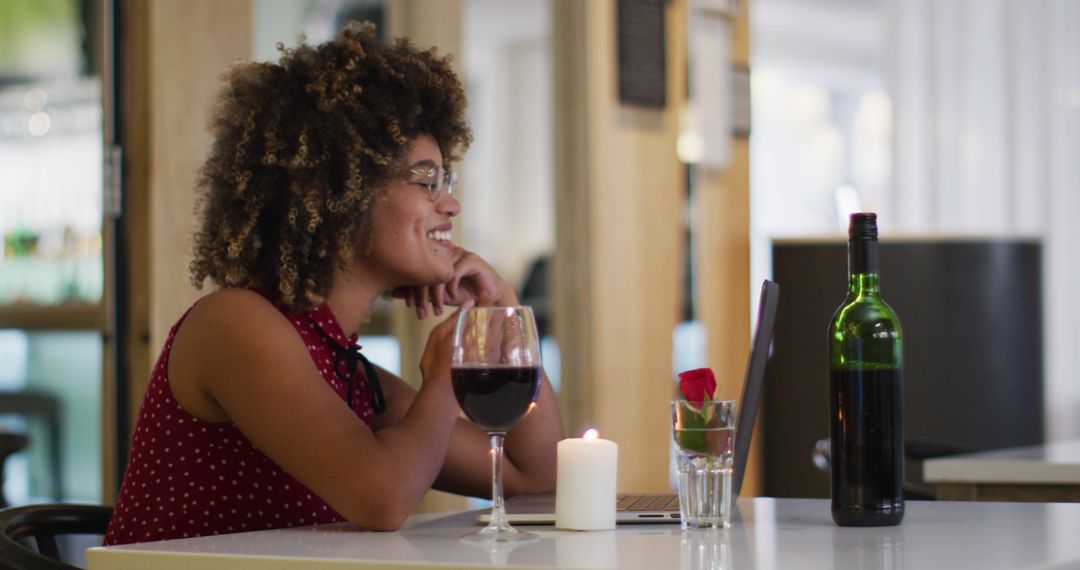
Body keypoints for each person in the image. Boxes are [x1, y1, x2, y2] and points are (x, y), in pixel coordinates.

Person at [104, 22, 563, 545]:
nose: (451, 204)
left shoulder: (346, 371)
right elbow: (383, 498)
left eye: (448, 182)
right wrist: (445, 373)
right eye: (426, 180)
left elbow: (539, 479)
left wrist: (500, 305)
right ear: (344, 193)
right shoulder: (235, 324)